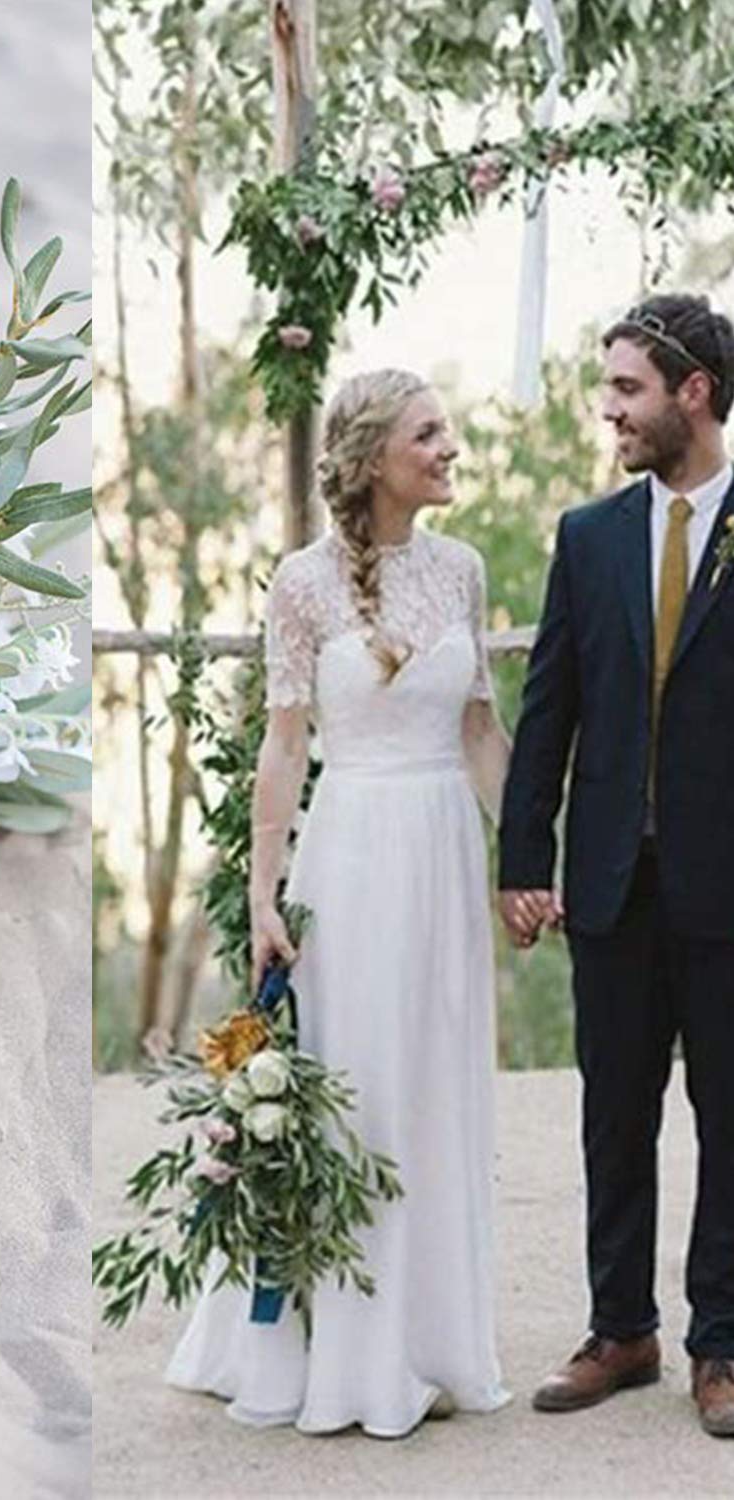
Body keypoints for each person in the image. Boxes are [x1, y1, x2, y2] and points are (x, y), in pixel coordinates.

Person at [165, 368, 513, 1437]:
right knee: (355, 1085)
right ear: (372, 461)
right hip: (352, 854)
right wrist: (264, 895)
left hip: (445, 854)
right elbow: (283, 748)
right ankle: (340, 1350)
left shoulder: (462, 569)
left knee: (433, 1082)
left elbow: (481, 736)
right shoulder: (301, 583)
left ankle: (430, 1339)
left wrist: (530, 865)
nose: (452, 446)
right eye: (430, 432)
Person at [499, 293, 734, 1439]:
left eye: (630, 390)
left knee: (732, 1120)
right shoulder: (587, 537)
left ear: (696, 392)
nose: (611, 413)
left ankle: (722, 1345)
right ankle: (620, 1329)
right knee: (613, 1119)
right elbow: (549, 707)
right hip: (608, 882)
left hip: (729, 887)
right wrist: (520, 858)